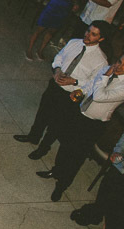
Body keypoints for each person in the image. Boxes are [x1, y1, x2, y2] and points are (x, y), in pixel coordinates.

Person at [37, 49, 124, 202]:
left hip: (94, 124)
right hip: (80, 113)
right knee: (65, 145)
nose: (119, 66)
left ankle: (62, 186)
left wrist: (106, 77)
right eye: (119, 61)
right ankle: (56, 171)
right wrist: (80, 92)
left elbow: (100, 96)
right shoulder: (108, 69)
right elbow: (91, 86)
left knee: (76, 156)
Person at [13, 21, 110, 160]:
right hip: (55, 85)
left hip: (70, 95)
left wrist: (75, 82)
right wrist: (57, 69)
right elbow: (59, 57)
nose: (88, 35)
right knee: (43, 113)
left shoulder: (101, 61)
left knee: (56, 124)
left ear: (101, 39)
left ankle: (43, 148)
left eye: (93, 34)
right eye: (88, 31)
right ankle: (33, 136)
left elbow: (94, 83)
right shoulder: (74, 42)